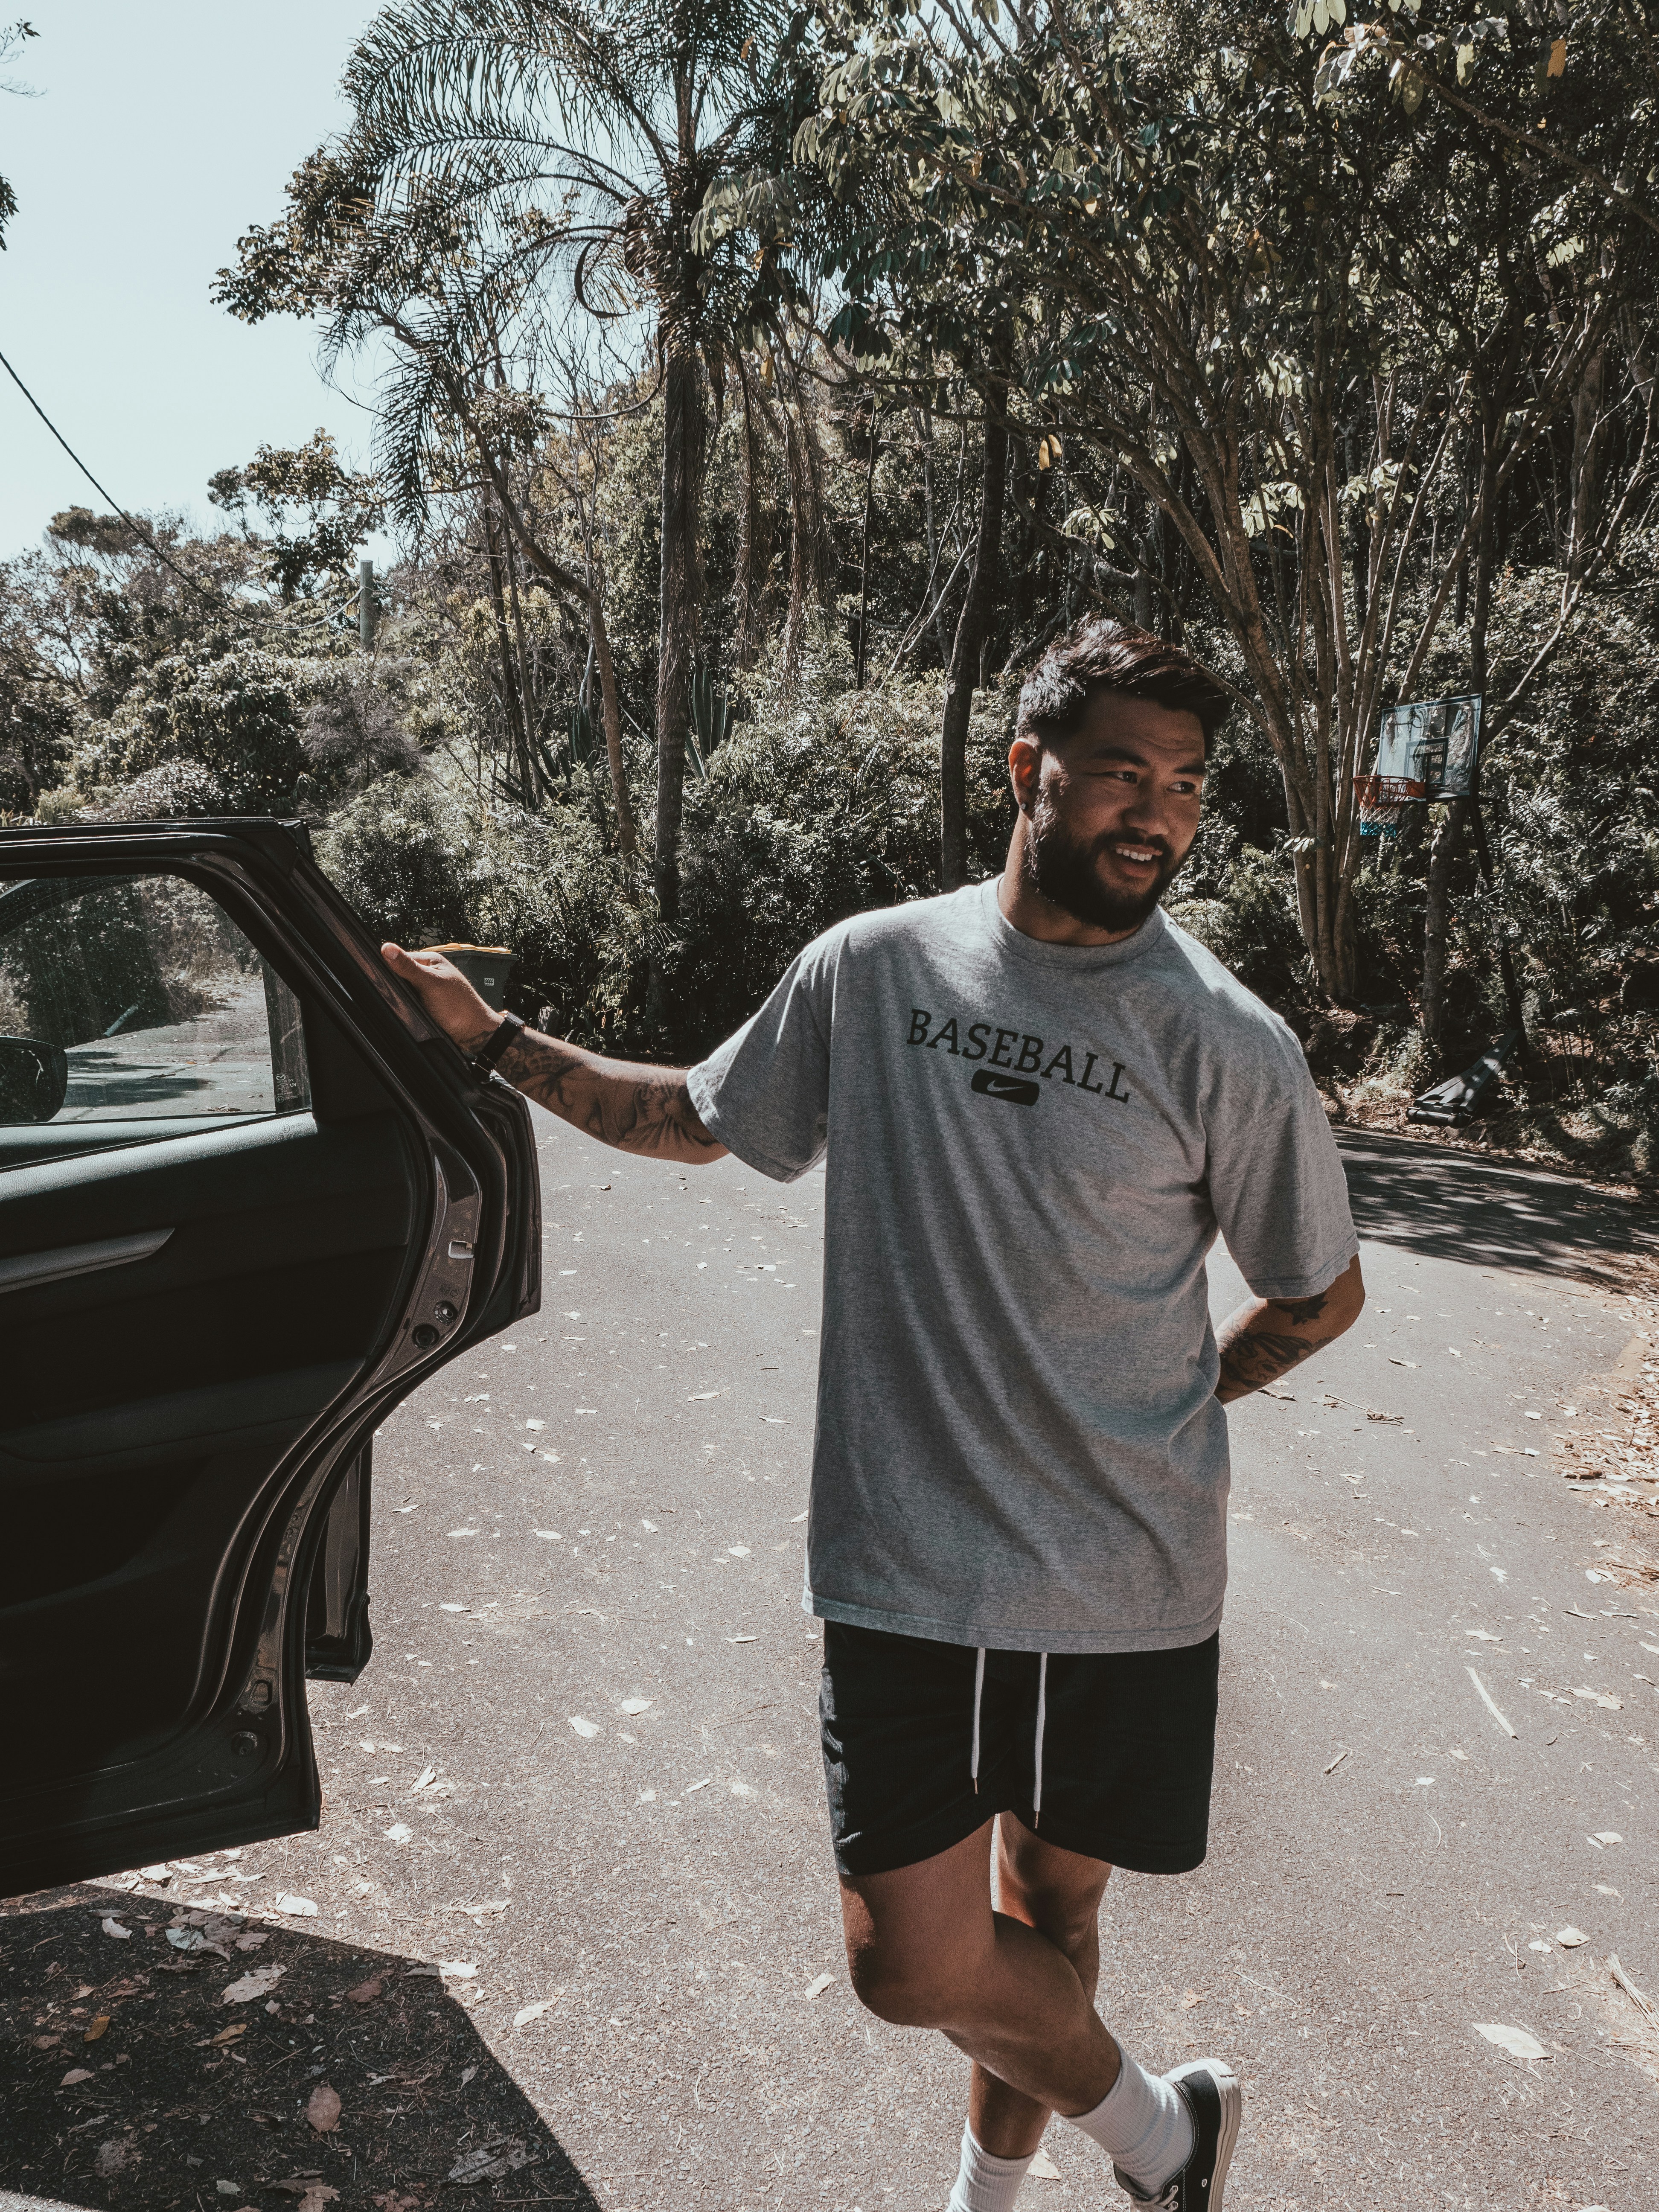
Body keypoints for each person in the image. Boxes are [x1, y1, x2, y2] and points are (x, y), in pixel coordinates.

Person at [382, 617, 1365, 2212]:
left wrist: (1180, 1400)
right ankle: (1166, 2136)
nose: (1159, 815)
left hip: (1119, 1582)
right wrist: (491, 1043)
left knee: (1053, 1917)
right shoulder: (876, 967)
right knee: (911, 1964)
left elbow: (1319, 1295)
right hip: (903, 1564)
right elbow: (694, 1118)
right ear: (1027, 768)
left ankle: (988, 2199)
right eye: (1122, 773)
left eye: (1187, 784)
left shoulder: (1223, 1039)